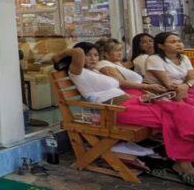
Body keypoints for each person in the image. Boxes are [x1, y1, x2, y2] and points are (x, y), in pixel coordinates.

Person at [55, 43, 194, 182]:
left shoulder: (95, 71)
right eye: (88, 55)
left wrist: (141, 98)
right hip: (116, 110)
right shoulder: (77, 73)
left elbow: (118, 90)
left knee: (179, 110)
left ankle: (184, 160)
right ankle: (183, 163)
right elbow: (78, 51)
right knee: (173, 116)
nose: (93, 58)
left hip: (132, 102)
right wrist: (58, 56)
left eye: (96, 55)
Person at [95, 39, 166, 94]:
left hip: (139, 93)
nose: (120, 53)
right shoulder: (104, 64)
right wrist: (148, 86)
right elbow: (121, 83)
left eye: (120, 50)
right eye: (117, 51)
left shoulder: (115, 63)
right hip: (131, 95)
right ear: (106, 54)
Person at [145, 32, 194, 102]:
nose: (179, 44)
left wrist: (187, 85)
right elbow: (169, 85)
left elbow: (192, 78)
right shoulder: (154, 59)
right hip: (161, 94)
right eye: (173, 42)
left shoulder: (184, 58)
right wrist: (186, 85)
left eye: (179, 41)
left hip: (182, 89)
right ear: (161, 46)